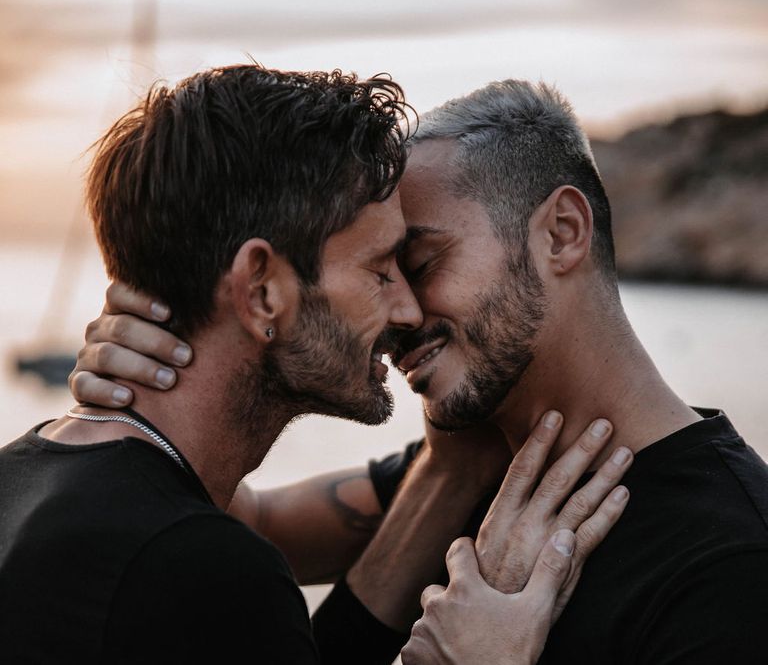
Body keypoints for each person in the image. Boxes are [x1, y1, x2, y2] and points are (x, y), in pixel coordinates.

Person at [75, 78, 768, 663]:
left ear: (562, 233)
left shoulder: (733, 561)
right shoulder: (467, 459)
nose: (399, 314)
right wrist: (165, 353)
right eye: (379, 271)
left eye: (424, 263)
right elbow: (235, 525)